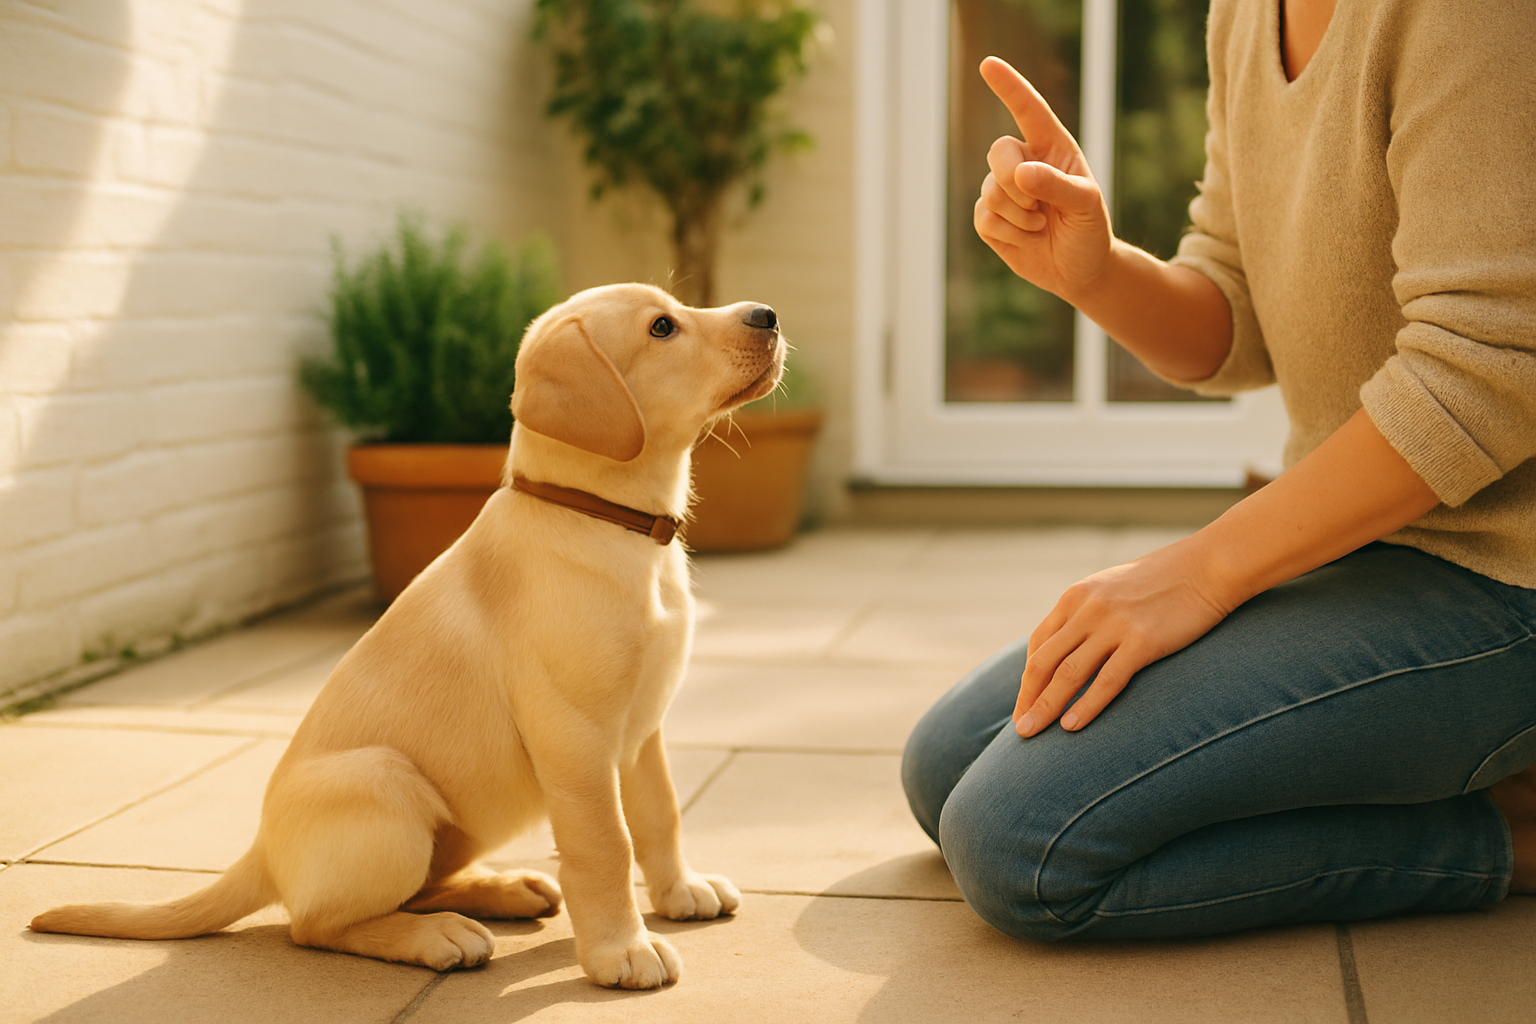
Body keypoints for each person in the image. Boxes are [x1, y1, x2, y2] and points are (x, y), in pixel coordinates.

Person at [901, 0, 1536, 940]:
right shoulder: (1244, 12)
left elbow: (1491, 367)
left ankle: (1511, 836)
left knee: (1022, 846)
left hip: (1503, 579)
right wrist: (1094, 270)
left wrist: (1199, 572)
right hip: (1367, 546)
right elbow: (1231, 316)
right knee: (944, 768)